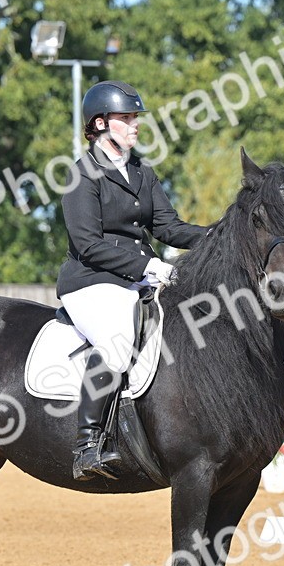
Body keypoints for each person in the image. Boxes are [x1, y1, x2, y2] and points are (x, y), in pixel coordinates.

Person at [58, 80, 209, 481]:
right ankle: (87, 445)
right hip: (92, 281)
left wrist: (218, 234)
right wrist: (148, 268)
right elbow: (88, 245)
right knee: (116, 340)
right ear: (101, 123)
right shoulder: (81, 175)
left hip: (138, 280)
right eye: (126, 118)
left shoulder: (142, 171)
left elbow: (169, 227)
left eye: (135, 117)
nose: (135, 124)